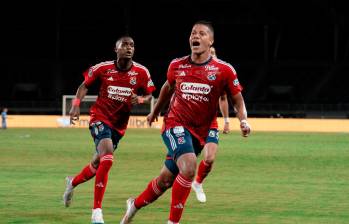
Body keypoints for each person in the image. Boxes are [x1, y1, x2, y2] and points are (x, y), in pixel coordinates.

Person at [120, 20, 251, 224]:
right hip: (175, 124)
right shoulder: (177, 65)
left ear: (211, 41)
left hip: (199, 132)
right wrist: (155, 112)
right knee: (189, 167)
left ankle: (134, 205)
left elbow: (237, 98)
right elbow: (166, 89)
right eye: (192, 33)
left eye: (201, 33)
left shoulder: (224, 70)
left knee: (165, 181)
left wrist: (243, 120)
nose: (195, 36)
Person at [62, 36, 155, 224]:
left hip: (119, 126)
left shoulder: (142, 72)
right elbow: (84, 86)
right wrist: (76, 105)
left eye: (132, 45)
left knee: (98, 164)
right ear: (116, 49)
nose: (129, 48)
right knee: (108, 157)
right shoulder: (102, 68)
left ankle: (72, 183)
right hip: (100, 118)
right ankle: (96, 212)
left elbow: (151, 91)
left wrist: (143, 100)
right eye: (125, 45)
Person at [191, 46, 231, 203]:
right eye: (209, 53)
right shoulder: (193, 71)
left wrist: (227, 121)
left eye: (214, 53)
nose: (211, 56)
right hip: (189, 123)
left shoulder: (220, 75)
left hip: (209, 123)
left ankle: (198, 183)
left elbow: (223, 99)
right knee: (182, 164)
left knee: (210, 158)